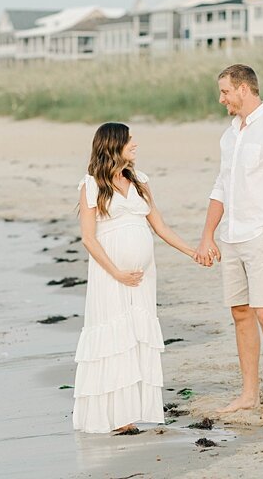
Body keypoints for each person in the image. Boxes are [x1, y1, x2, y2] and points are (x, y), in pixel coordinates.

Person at [195, 64, 263, 419]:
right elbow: (220, 187)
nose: (221, 98)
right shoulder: (230, 134)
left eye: (225, 91)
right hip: (231, 236)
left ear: (244, 89)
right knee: (241, 313)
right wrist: (208, 235)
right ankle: (249, 395)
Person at [72, 122, 196, 434]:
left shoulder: (140, 181)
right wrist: (116, 272)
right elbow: (89, 238)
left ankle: (134, 410)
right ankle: (116, 417)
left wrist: (193, 251)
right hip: (110, 275)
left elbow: (161, 227)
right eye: (129, 140)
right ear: (113, 145)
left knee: (136, 337)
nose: (135, 144)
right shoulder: (91, 185)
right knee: (115, 339)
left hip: (143, 277)